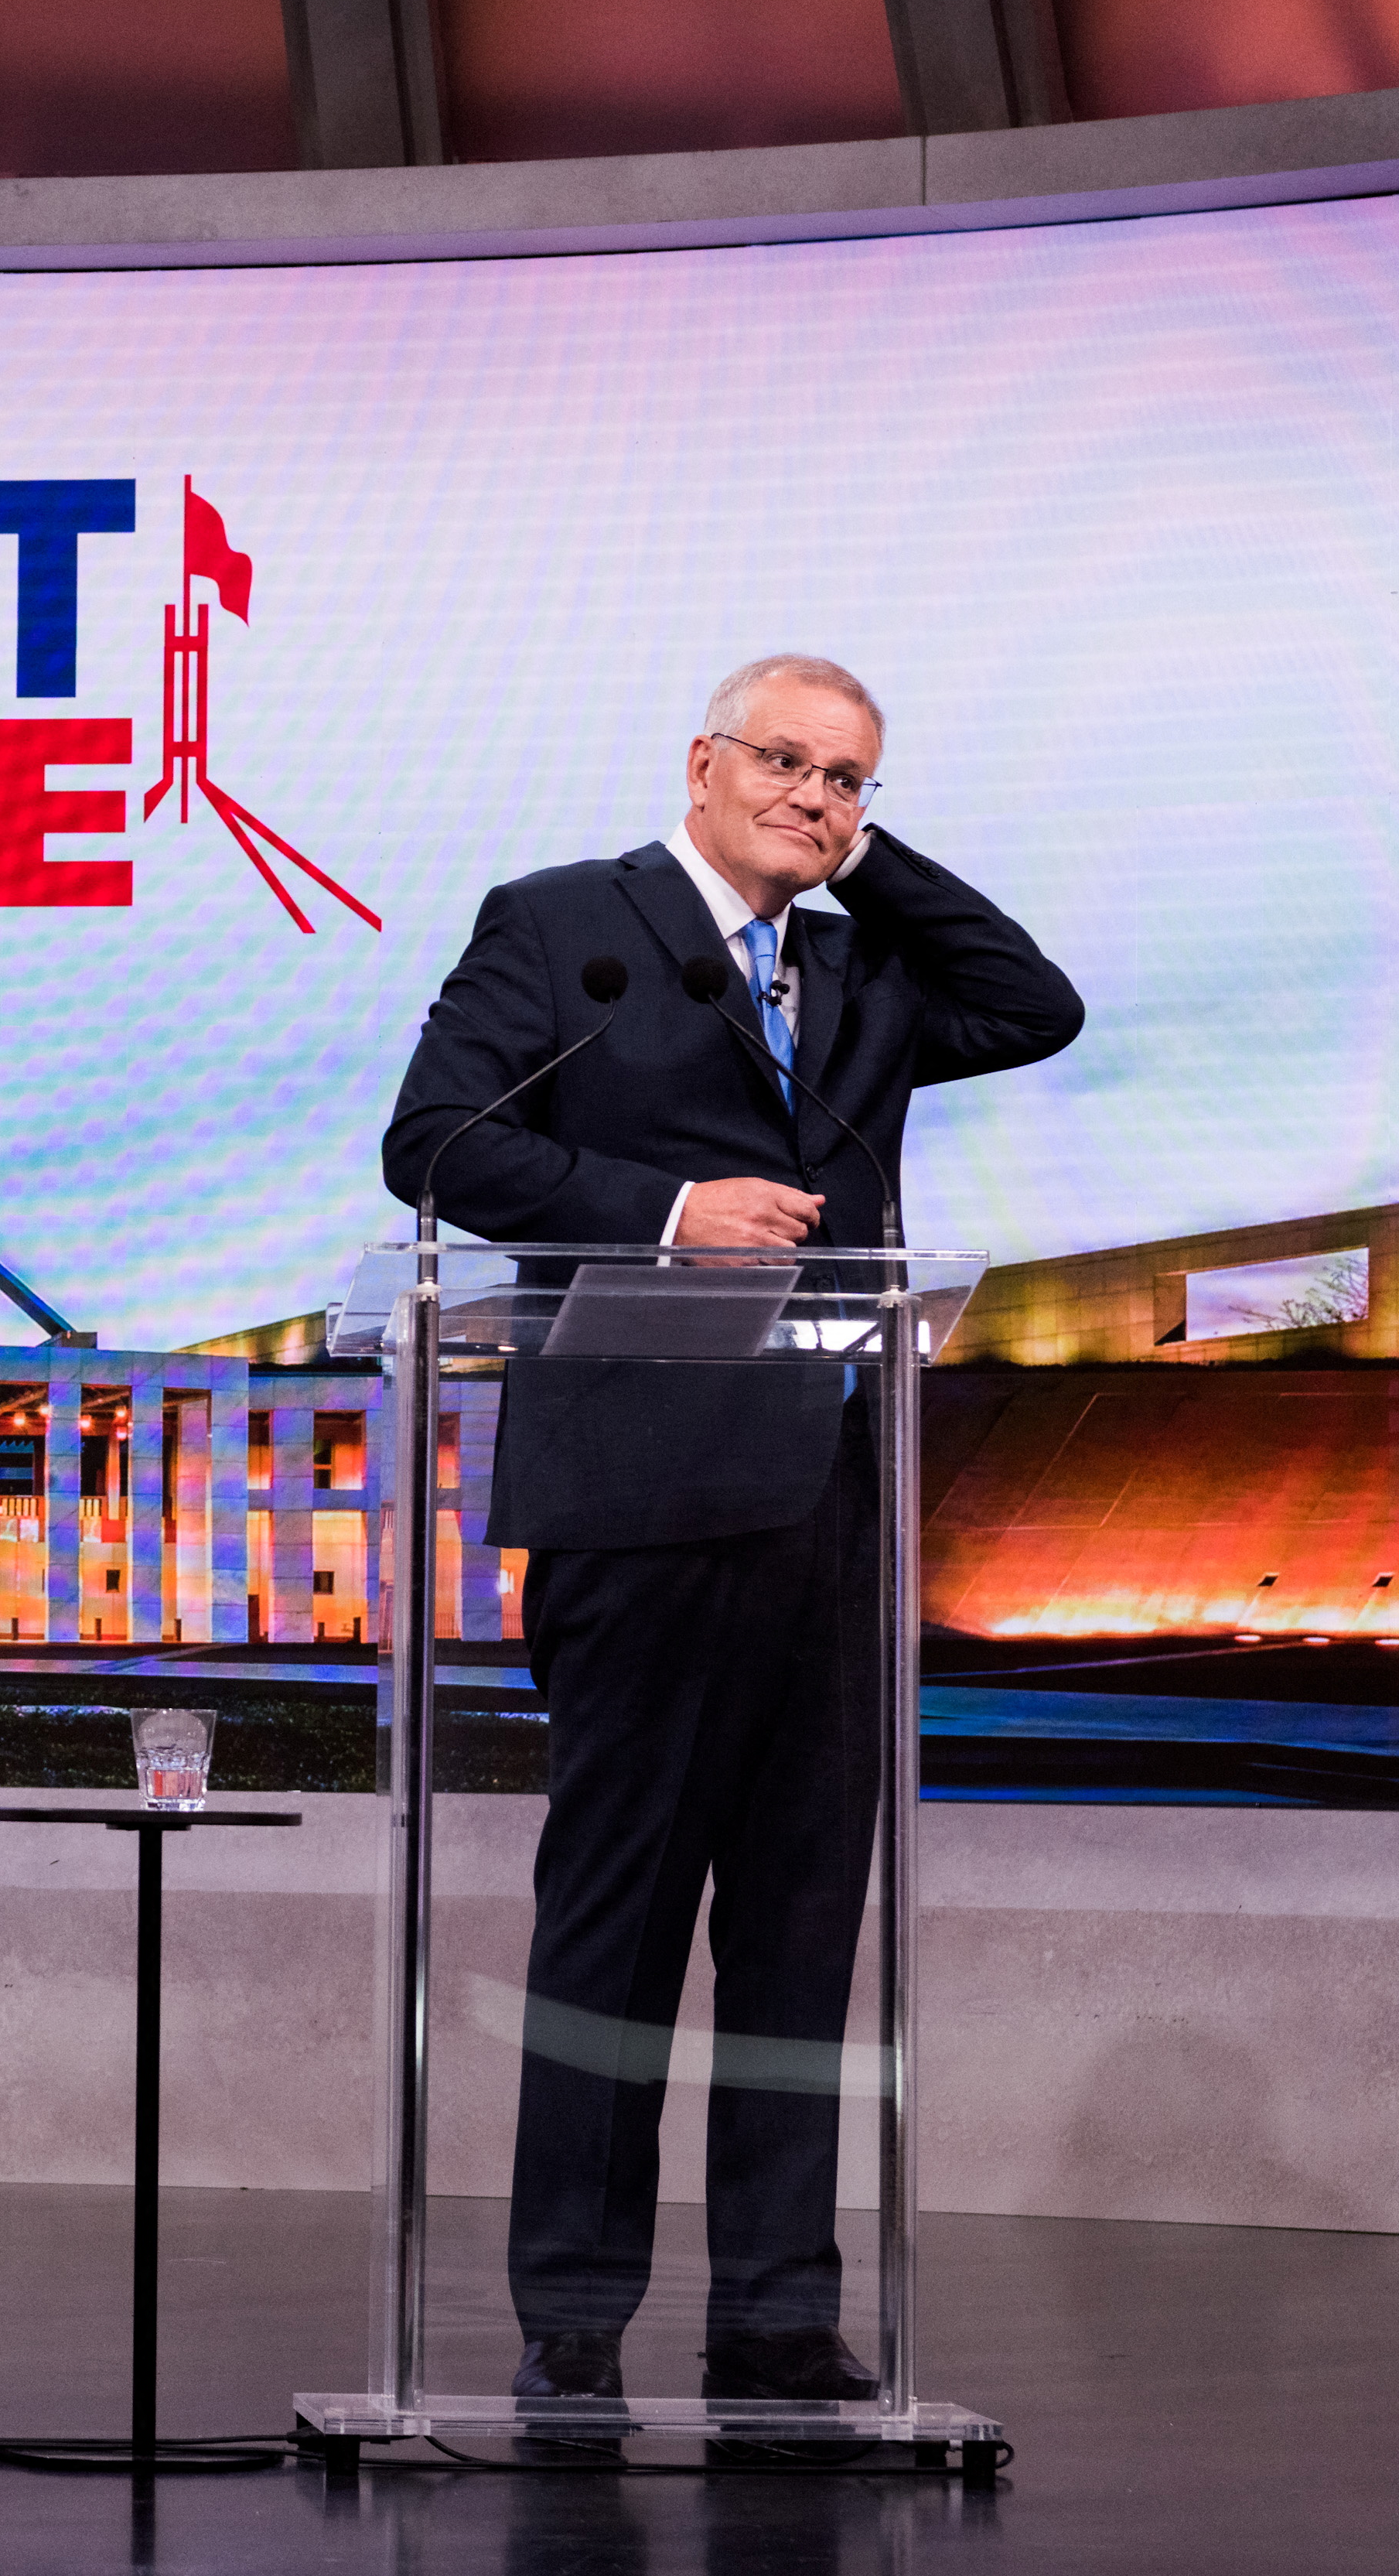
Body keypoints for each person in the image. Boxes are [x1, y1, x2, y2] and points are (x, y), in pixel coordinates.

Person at [379, 655, 1082, 2408]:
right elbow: (437, 1144)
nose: (815, 798)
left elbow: (1041, 1002)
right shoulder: (560, 927)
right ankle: (574, 2313)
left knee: (795, 1921)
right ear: (700, 761)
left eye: (847, 778)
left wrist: (867, 863)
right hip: (637, 1494)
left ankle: (776, 2304)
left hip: (830, 1498)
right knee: (614, 1920)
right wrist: (669, 1212)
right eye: (785, 762)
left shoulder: (869, 970)